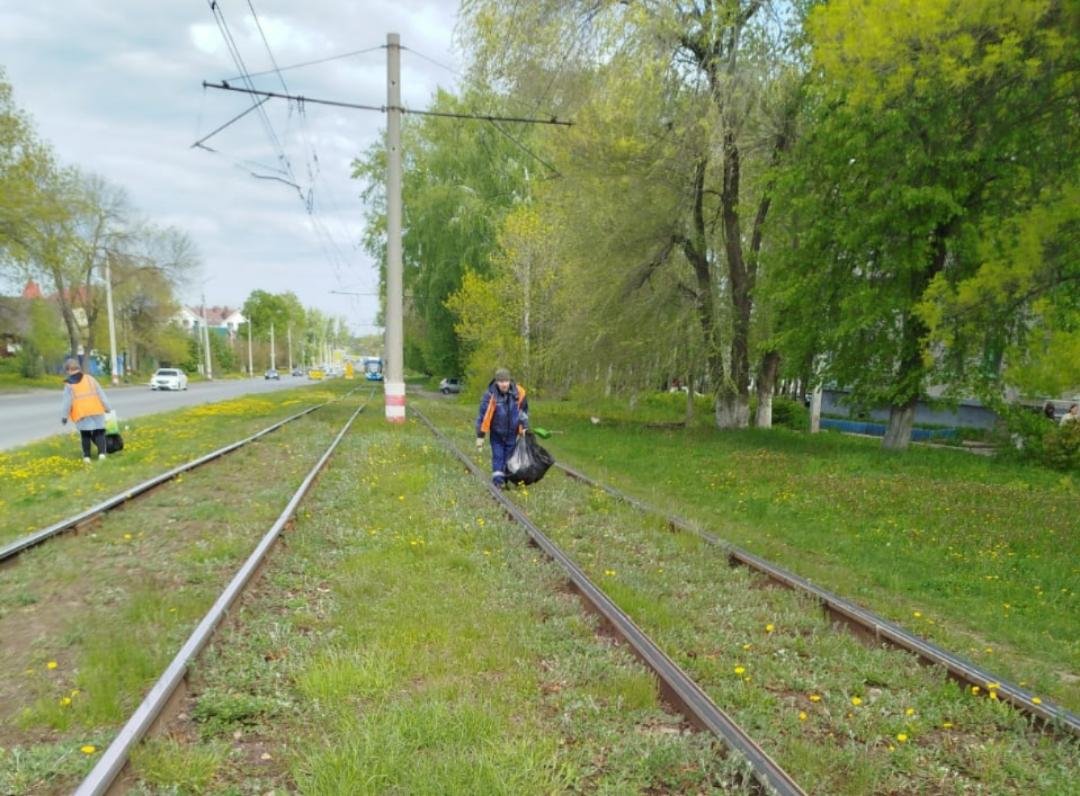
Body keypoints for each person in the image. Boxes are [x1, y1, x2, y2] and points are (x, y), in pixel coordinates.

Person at [475, 367, 529, 487]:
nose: (504, 384)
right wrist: (480, 436)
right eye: (501, 381)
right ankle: (498, 482)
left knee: (509, 457)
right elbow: (483, 416)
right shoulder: (490, 395)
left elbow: (523, 411)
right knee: (498, 456)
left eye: (506, 381)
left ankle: (504, 480)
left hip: (512, 432)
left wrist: (524, 426)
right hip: (497, 433)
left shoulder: (519, 392)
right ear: (496, 382)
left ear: (510, 381)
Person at [60, 357, 113, 462]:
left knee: (85, 434)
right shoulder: (90, 379)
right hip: (96, 409)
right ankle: (102, 454)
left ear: (68, 370)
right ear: (79, 368)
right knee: (99, 431)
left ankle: (87, 457)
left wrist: (64, 416)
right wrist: (107, 408)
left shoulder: (69, 384)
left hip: (82, 413)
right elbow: (101, 394)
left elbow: (67, 402)